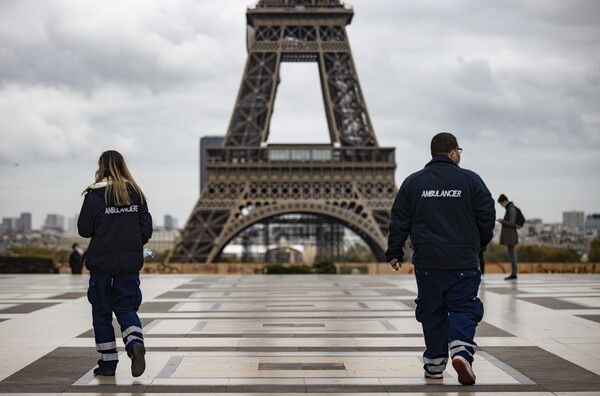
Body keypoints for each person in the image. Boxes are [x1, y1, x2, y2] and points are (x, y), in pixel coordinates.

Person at [386, 132, 495, 385]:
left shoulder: (414, 182)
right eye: (459, 150)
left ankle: (434, 365)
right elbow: (487, 215)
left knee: (431, 311)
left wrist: (394, 252)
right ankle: (461, 351)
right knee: (464, 307)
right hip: (462, 260)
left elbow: (399, 220)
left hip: (427, 261)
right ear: (453, 151)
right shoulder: (471, 180)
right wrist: (478, 244)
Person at [78, 150, 153, 377]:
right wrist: (129, 243)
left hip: (101, 262)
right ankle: (134, 343)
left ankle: (108, 364)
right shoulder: (136, 193)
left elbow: (84, 230)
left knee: (102, 312)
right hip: (129, 263)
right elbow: (146, 231)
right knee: (126, 307)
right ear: (123, 165)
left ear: (102, 167)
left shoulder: (94, 195)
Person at [497, 194, 519, 280]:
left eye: (501, 203)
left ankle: (514, 273)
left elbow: (512, 223)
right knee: (512, 254)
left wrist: (502, 221)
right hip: (510, 235)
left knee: (512, 255)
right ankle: (513, 273)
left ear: (505, 201)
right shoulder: (510, 208)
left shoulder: (511, 209)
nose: (502, 205)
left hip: (511, 236)